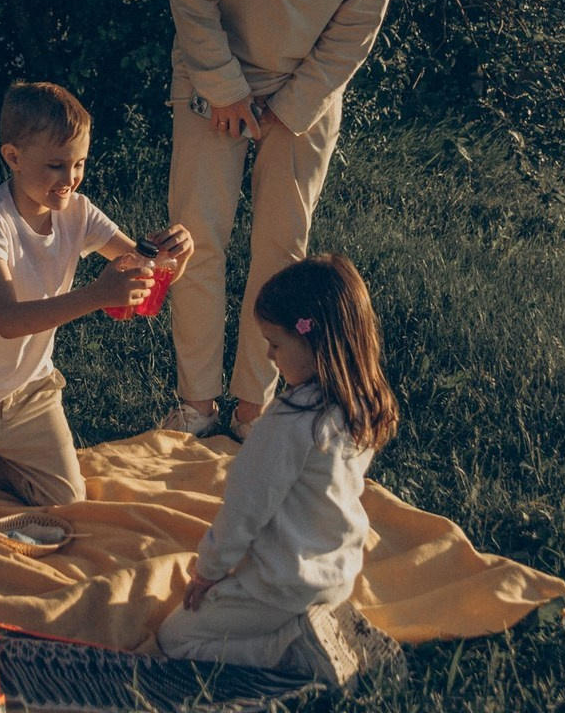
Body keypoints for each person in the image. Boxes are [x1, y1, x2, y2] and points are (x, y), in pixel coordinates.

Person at [163, 0, 407, 440]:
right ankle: (196, 405)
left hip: (310, 88)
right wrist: (223, 83)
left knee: (282, 251)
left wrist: (296, 100)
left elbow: (368, 3)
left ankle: (251, 409)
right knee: (196, 239)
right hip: (214, 76)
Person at [0, 81, 193, 506]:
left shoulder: (78, 212)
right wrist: (97, 294)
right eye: (57, 166)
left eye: (79, 164)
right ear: (14, 157)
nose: (71, 179)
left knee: (67, 501)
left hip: (31, 393)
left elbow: (144, 267)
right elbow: (7, 319)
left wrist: (173, 257)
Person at [157, 254, 402, 688]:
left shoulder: (288, 422)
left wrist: (209, 571)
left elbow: (245, 508)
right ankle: (317, 623)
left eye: (275, 343)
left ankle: (288, 647)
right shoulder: (361, 403)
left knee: (175, 638)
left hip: (281, 585)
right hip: (338, 573)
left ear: (314, 341)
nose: (269, 356)